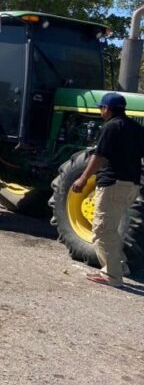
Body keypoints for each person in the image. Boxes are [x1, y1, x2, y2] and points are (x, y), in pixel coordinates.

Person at [72, 92, 144, 288]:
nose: (100, 111)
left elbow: (99, 156)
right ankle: (120, 266)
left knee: (102, 230)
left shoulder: (111, 127)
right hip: (131, 185)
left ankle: (113, 276)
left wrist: (82, 178)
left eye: (100, 108)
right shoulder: (136, 128)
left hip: (113, 184)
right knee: (111, 228)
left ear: (107, 109)